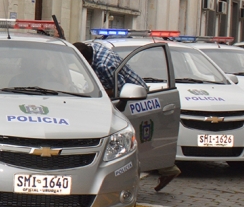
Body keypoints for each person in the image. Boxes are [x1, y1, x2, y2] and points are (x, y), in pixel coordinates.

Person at [73, 41, 180, 193]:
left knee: (126, 142)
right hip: (129, 95)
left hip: (133, 96)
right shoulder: (94, 48)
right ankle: (168, 169)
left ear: (88, 60)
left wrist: (93, 92)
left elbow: (118, 89)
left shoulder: (105, 66)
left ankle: (158, 170)